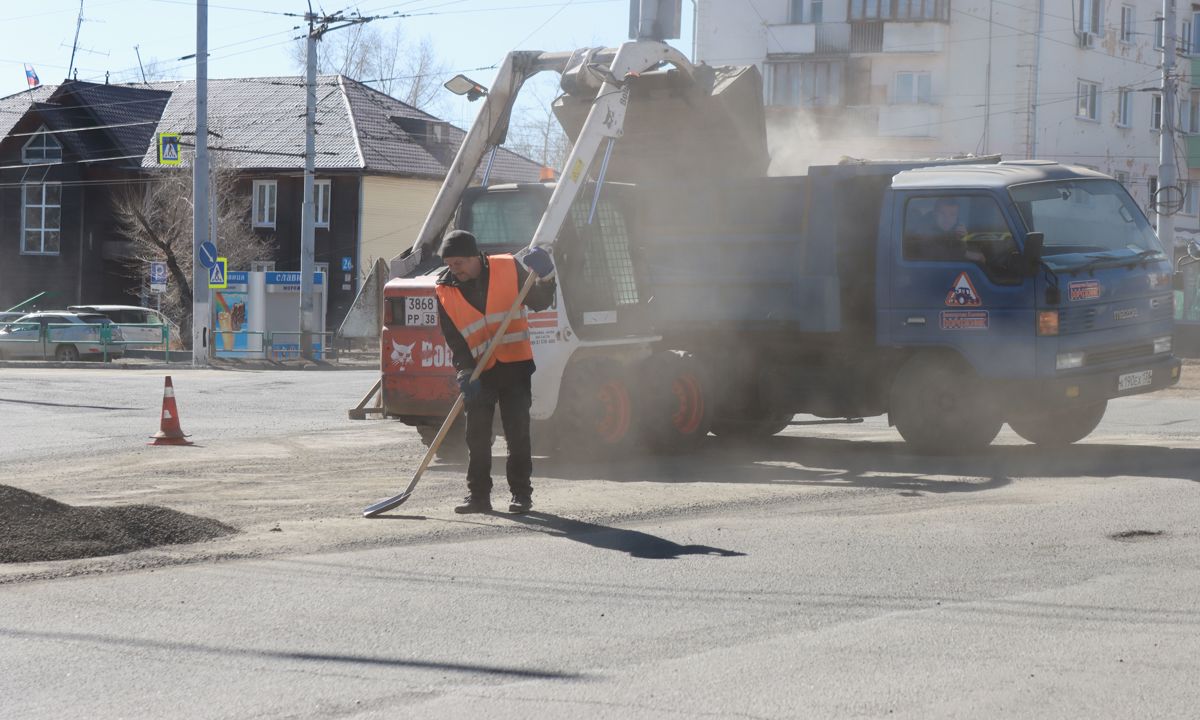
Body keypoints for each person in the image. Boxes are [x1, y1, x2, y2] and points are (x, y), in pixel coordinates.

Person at [434, 229, 557, 514]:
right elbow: (454, 337)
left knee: (517, 433)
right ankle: (478, 497)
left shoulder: (507, 267)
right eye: (450, 264)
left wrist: (546, 276)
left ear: (475, 257)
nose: (455, 270)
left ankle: (521, 496)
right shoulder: (444, 288)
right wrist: (464, 371)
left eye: (459, 264)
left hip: (515, 365)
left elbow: (539, 301)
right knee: (476, 435)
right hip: (479, 370)